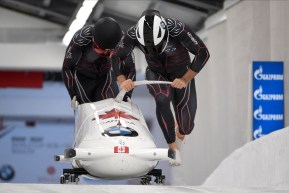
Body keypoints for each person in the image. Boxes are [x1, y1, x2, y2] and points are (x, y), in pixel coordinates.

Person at [111, 10, 210, 166]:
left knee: (186, 127)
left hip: (181, 74)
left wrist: (185, 79)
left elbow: (203, 53)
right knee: (162, 98)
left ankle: (181, 130)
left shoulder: (178, 29)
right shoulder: (132, 34)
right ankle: (172, 146)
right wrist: (122, 80)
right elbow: (116, 57)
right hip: (156, 73)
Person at [62, 17, 135, 109]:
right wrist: (73, 94)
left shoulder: (124, 42)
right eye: (100, 50)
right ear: (93, 41)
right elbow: (67, 67)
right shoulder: (82, 38)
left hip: (105, 77)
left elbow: (130, 69)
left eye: (109, 53)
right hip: (83, 78)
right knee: (88, 108)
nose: (104, 54)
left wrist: (127, 95)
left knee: (111, 108)